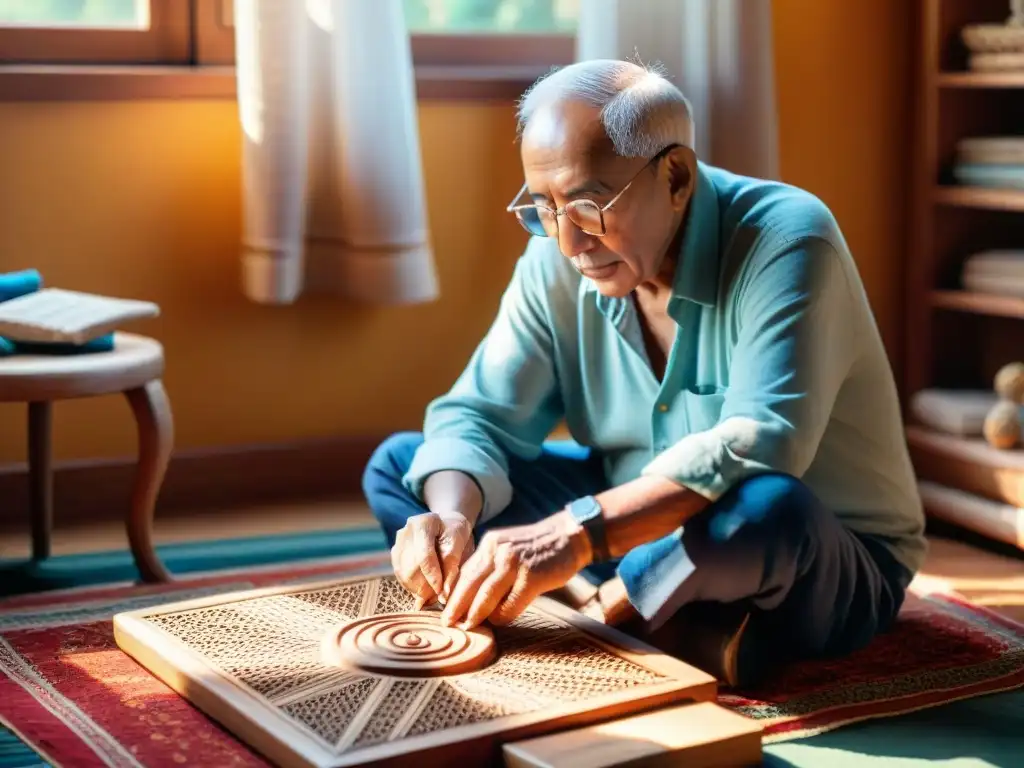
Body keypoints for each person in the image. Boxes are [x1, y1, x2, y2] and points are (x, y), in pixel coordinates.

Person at [361, 58, 925, 688]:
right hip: (632, 537)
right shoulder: (558, 256)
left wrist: (569, 539)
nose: (569, 244)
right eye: (542, 208)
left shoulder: (789, 240)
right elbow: (479, 414)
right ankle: (664, 622)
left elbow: (765, 443)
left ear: (676, 177)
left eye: (587, 205)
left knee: (767, 508)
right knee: (406, 467)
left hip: (812, 557)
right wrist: (455, 521)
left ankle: (607, 614)